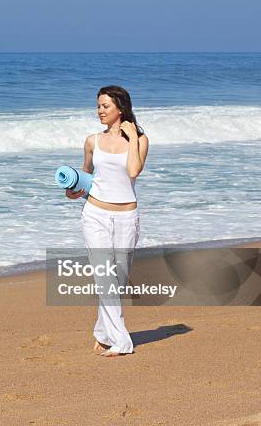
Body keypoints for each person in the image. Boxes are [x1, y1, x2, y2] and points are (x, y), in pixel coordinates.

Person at [66, 85, 149, 357]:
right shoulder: (92, 140)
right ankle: (121, 341)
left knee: (119, 279)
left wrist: (133, 138)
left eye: (105, 106)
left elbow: (134, 171)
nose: (100, 111)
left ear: (121, 109)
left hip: (126, 217)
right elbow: (85, 174)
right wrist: (73, 189)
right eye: (98, 106)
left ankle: (103, 332)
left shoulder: (140, 140)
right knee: (105, 278)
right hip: (95, 215)